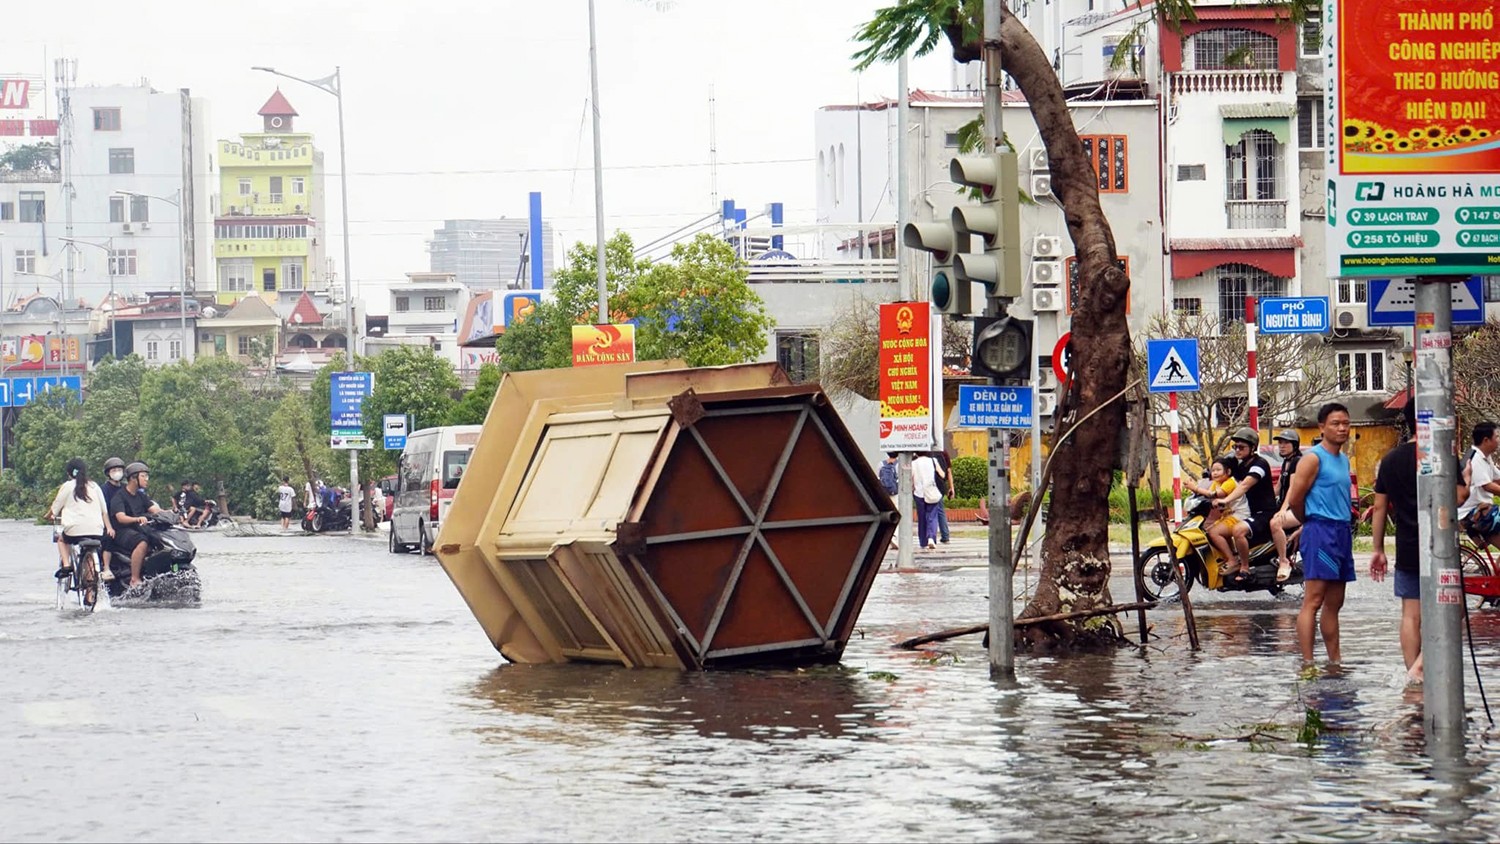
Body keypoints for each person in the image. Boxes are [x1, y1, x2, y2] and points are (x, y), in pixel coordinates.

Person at [1369, 400, 1465, 685]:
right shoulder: (1440, 454)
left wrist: (1377, 550)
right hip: (1440, 547)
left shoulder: (1390, 459)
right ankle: (1421, 667)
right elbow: (1458, 497)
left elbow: (1379, 508)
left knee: (1411, 615)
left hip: (1407, 545)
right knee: (1454, 609)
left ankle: (1414, 675)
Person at [1279, 402, 1355, 666]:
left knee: (1335, 602)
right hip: (1321, 531)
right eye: (1335, 423)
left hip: (1342, 533)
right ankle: (1308, 663)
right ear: (1322, 427)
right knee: (1313, 600)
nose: (1342, 428)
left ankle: (1335, 661)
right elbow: (1297, 498)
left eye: (1345, 422)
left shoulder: (1343, 459)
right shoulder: (1313, 458)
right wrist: (1309, 523)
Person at [1210, 427, 1278, 586]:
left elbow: (1245, 485)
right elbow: (1221, 469)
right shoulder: (1239, 464)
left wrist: (1225, 500)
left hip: (1264, 513)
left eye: (1242, 447)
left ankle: (1244, 567)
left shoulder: (1259, 464)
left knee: (1238, 530)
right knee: (1214, 530)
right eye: (1235, 447)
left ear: (1253, 448)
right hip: (1249, 512)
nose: (1237, 450)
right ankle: (1232, 558)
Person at [48, 458, 115, 581]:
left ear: (69, 473)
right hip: (97, 531)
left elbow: (55, 507)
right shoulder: (95, 486)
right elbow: (104, 511)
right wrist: (109, 527)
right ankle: (90, 594)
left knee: (61, 539)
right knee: (89, 557)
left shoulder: (67, 486)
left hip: (74, 531)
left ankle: (67, 565)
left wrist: (50, 515)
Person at [108, 462, 164, 588]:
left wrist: (172, 513)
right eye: (143, 476)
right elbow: (120, 517)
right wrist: (137, 519)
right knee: (142, 542)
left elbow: (154, 509)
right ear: (133, 478)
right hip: (122, 531)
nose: (146, 479)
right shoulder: (119, 496)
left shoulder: (140, 495)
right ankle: (135, 578)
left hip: (139, 529)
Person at [1189, 458, 1246, 576]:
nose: (1214, 473)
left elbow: (1218, 494)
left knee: (1214, 533)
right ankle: (1231, 555)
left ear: (1228, 472)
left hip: (1239, 515)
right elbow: (1208, 494)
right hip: (1228, 515)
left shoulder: (1230, 482)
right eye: (1213, 470)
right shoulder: (1217, 483)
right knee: (1209, 531)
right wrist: (1195, 493)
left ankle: (1232, 561)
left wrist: (1195, 488)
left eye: (1218, 470)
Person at [1457, 421, 1500, 549]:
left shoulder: (1485, 457)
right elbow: (1488, 486)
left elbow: (1497, 478)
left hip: (1483, 510)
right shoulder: (1475, 459)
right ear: (1486, 440)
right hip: (1473, 513)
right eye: (1497, 436)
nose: (1499, 440)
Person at [1269, 429, 1304, 582]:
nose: (1281, 446)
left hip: (1299, 509)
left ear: (1294, 445)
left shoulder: (1297, 462)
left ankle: (1284, 561)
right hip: (1290, 507)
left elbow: (1293, 488)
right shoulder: (1286, 462)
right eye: (1280, 443)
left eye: (1286, 443)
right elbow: (1279, 487)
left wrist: (1283, 509)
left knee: (1275, 523)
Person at [99, 457, 128, 575]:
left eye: (119, 469)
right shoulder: (103, 490)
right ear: (108, 473)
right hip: (109, 522)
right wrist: (109, 527)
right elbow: (103, 510)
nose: (117, 472)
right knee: (108, 537)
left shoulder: (125, 487)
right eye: (114, 470)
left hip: (125, 521)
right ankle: (106, 568)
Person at [911, 451, 944, 551]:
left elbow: (911, 479)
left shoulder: (913, 463)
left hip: (918, 493)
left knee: (921, 517)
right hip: (931, 492)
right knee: (932, 516)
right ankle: (931, 537)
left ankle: (923, 542)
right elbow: (942, 474)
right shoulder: (933, 461)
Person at [930, 449, 955, 544]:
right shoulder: (943, 452)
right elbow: (949, 472)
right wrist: (951, 488)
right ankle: (945, 536)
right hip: (940, 485)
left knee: (929, 511)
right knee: (940, 511)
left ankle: (931, 537)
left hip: (928, 484)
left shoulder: (924, 450)